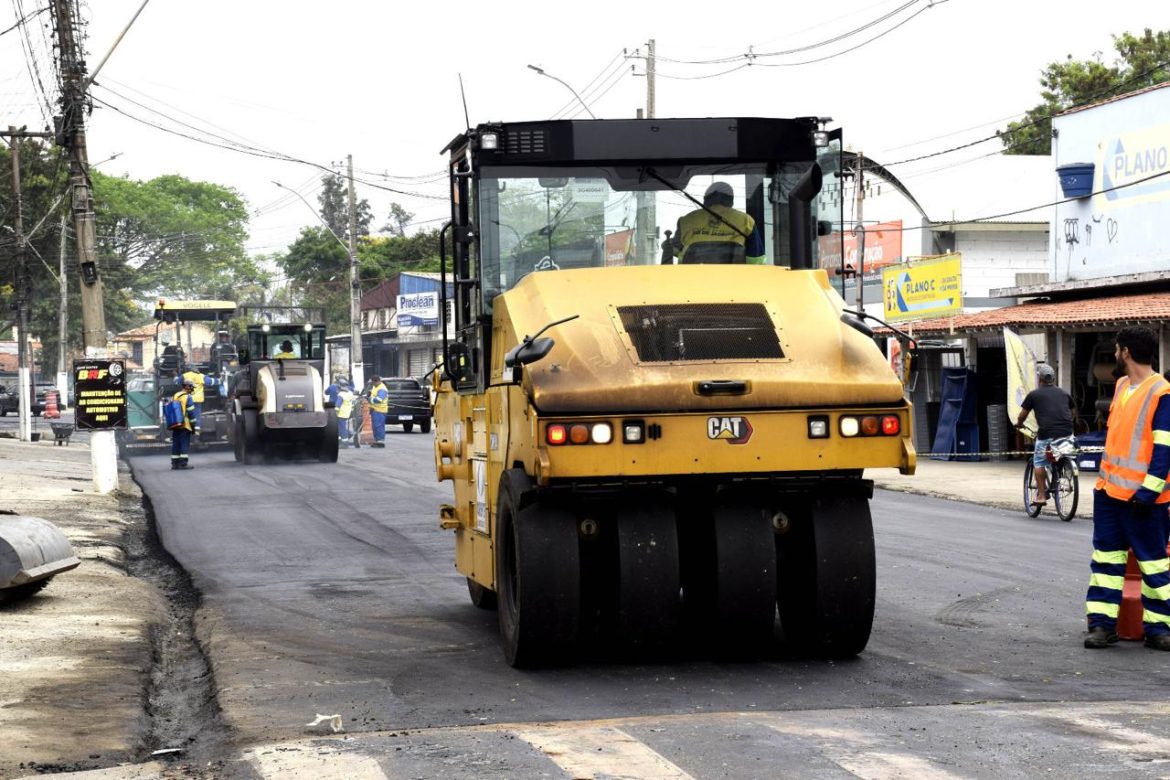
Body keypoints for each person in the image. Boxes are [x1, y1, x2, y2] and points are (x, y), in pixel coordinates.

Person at [1084, 326, 1170, 650]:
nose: (1116, 355)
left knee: (1153, 565)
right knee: (1106, 563)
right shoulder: (1121, 386)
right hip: (1109, 495)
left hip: (1145, 499)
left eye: (1118, 350)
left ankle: (1159, 628)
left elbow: (1164, 447)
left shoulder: (1161, 392)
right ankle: (1102, 626)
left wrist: (1148, 492)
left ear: (1127, 352)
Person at [1015, 363, 1076, 507]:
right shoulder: (1063, 393)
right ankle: (1061, 472)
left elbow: (1022, 415)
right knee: (1062, 455)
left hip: (1046, 434)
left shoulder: (1034, 395)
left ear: (1039, 379)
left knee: (1039, 462)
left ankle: (1042, 495)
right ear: (1053, 379)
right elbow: (1073, 410)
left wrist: (1019, 423)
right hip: (1067, 433)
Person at [666, 181, 765, 265]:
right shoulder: (746, 221)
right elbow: (756, 259)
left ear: (705, 200)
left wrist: (666, 244)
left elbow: (675, 250)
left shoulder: (686, 220)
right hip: (734, 281)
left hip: (692, 280)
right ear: (731, 201)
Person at [170, 377, 196, 470]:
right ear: (187, 387)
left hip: (175, 424)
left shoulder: (175, 395)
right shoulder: (187, 397)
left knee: (176, 443)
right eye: (192, 387)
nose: (193, 389)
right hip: (184, 425)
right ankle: (183, 463)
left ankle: (174, 463)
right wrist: (193, 426)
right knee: (184, 443)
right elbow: (191, 413)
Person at [180, 368, 217, 432]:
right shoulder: (201, 376)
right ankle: (196, 435)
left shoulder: (184, 375)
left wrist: (174, 376)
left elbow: (176, 382)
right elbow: (210, 382)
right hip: (197, 400)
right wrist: (220, 380)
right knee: (197, 416)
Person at [367, 374, 389, 448]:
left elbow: (379, 400)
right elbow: (373, 394)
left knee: (379, 426)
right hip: (375, 410)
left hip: (380, 410)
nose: (372, 384)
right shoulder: (375, 386)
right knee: (375, 426)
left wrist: (370, 399)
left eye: (373, 383)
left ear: (377, 381)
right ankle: (376, 441)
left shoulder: (382, 389)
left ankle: (380, 442)